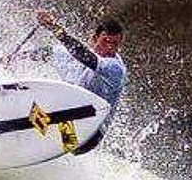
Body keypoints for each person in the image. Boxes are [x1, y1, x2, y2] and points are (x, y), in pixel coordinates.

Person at [35, 11, 127, 154]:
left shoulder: (115, 68)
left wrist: (53, 27)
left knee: (47, 106)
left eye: (115, 44)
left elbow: (84, 56)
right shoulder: (76, 57)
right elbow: (47, 52)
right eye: (106, 41)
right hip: (69, 124)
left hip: (88, 137)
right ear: (94, 39)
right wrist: (12, 58)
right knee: (41, 101)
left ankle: (30, 134)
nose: (110, 47)